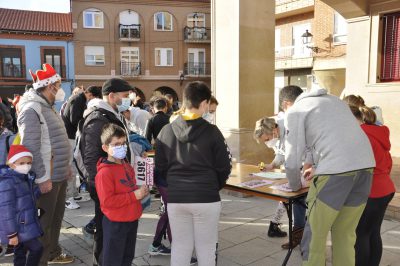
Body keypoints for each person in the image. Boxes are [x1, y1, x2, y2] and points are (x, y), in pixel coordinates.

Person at [281, 85, 376, 265]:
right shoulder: (334, 101)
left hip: (335, 172)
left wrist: (294, 186)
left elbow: (292, 159)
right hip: (366, 167)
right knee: (345, 234)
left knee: (314, 236)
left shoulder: (294, 111)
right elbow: (323, 138)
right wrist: (313, 161)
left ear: (286, 104)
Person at [156, 81, 232, 266]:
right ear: (205, 103)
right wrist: (214, 185)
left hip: (176, 197)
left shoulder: (166, 131)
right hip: (206, 197)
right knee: (206, 248)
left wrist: (174, 183)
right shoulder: (213, 132)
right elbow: (224, 166)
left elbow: (160, 167)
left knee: (180, 246)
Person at [18, 63, 73, 265]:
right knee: (42, 226)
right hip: (46, 178)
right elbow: (30, 146)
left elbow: (56, 141)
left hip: (57, 174)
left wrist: (65, 166)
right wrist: (42, 177)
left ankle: (52, 253)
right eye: (59, 85)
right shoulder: (32, 108)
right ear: (50, 86)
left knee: (54, 221)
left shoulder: (47, 107)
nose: (60, 89)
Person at [81, 78, 132, 266]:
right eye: (125, 96)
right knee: (104, 233)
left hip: (116, 183)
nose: (128, 100)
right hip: (105, 187)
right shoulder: (98, 118)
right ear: (112, 96)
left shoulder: (111, 114)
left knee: (112, 233)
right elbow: (90, 157)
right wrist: (101, 189)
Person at [348, 105, 396, 266]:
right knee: (373, 232)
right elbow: (388, 163)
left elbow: (354, 166)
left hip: (371, 191)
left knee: (361, 235)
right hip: (385, 188)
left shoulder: (360, 135)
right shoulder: (378, 132)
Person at [95, 123, 148, 266]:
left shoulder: (125, 164)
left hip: (131, 219)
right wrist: (134, 196)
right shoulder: (104, 173)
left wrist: (142, 187)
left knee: (127, 257)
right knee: (113, 259)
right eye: (117, 144)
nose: (122, 147)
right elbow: (107, 202)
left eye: (124, 143)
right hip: (116, 223)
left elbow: (131, 186)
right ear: (106, 148)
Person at [0, 145, 43, 266]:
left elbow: (26, 197)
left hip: (23, 225)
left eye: (29, 162)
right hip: (19, 227)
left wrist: (38, 191)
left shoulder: (24, 177)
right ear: (12, 164)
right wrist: (11, 234)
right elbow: (5, 211)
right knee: (37, 248)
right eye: (22, 162)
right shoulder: (7, 182)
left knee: (20, 251)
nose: (26, 165)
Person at [61, 85, 102, 210]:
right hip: (69, 137)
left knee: (73, 167)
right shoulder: (77, 100)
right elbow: (75, 120)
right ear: (90, 94)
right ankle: (68, 198)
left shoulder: (79, 99)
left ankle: (74, 193)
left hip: (72, 137)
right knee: (70, 167)